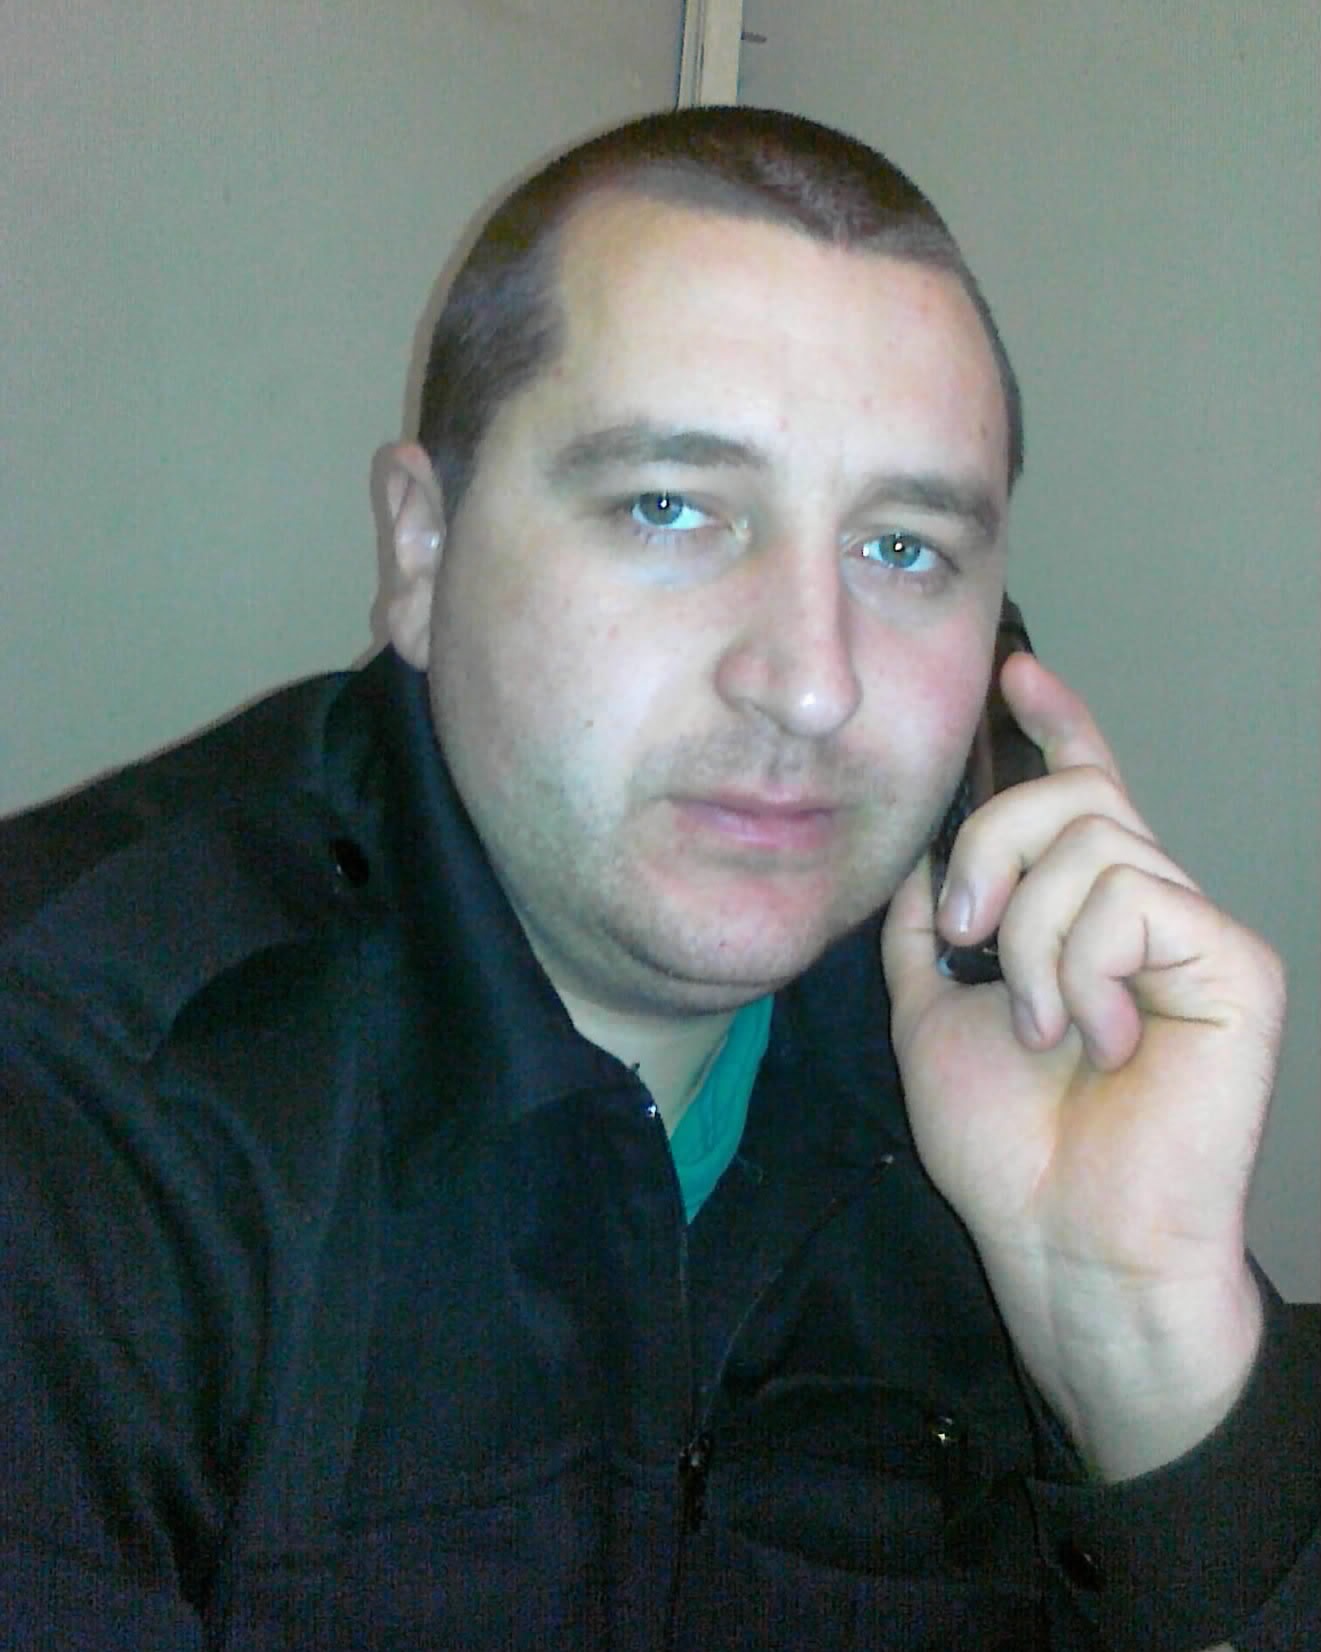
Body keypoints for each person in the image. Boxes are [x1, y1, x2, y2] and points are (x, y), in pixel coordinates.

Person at [0, 106, 1315, 1651]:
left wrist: (1136, 1330)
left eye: (902, 549)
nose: (811, 684)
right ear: (420, 550)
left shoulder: (1007, 1071)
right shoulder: (72, 1110)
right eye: (669, 509)